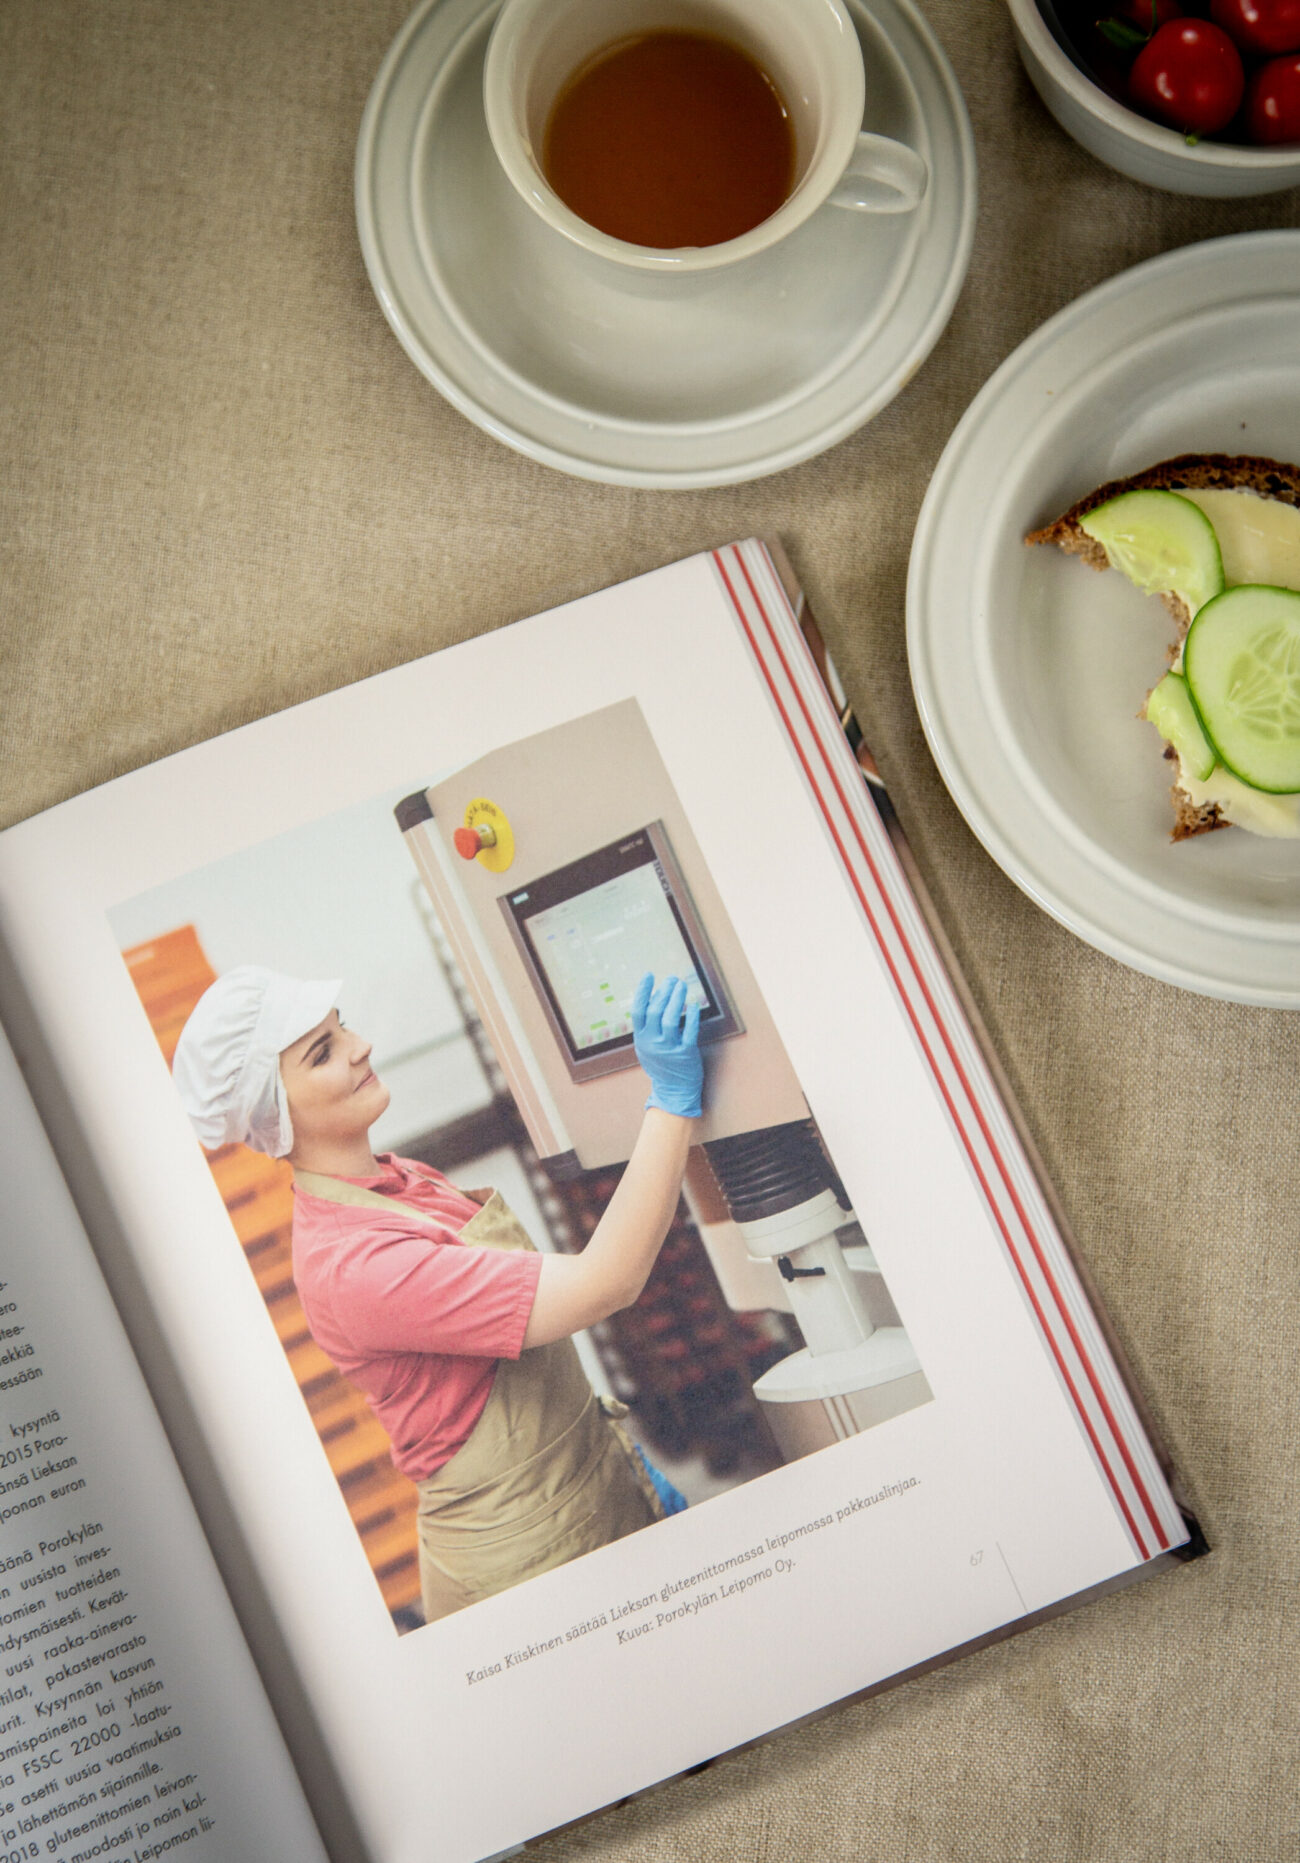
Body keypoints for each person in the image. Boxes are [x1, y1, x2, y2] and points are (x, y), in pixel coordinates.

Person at [172, 965, 704, 1622]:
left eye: (341, 1029)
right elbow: (606, 1283)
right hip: (529, 1565)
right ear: (277, 1117)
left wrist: (617, 1464)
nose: (360, 1046)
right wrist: (671, 1096)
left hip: (594, 1482)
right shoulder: (356, 1266)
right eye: (324, 1053)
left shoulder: (400, 1180)